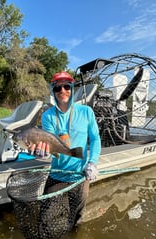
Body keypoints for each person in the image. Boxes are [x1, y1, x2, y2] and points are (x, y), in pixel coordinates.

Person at [30, 71, 101, 227]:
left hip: (81, 175)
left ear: (72, 88)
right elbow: (49, 143)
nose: (62, 91)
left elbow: (95, 139)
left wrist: (93, 163)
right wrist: (42, 152)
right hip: (57, 173)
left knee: (77, 217)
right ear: (53, 91)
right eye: (58, 88)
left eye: (66, 87)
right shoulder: (48, 116)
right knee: (45, 219)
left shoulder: (86, 111)